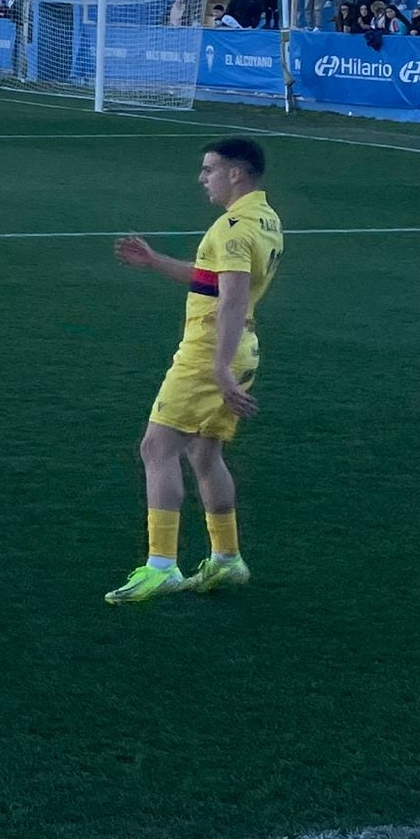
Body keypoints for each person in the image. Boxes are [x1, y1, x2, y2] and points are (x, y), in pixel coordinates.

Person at [105, 139, 281, 604]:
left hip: (209, 353)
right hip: (242, 347)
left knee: (156, 446)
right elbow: (214, 279)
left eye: (209, 170)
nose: (202, 178)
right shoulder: (266, 219)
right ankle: (227, 560)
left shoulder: (232, 229)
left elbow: (233, 298)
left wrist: (219, 368)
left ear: (237, 174)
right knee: (205, 454)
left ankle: (160, 566)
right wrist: (155, 262)